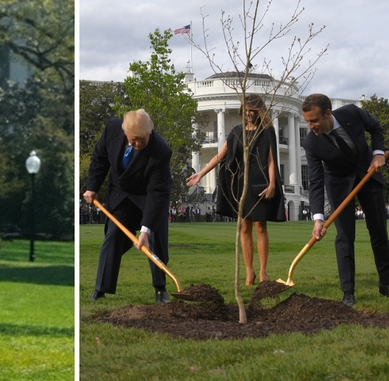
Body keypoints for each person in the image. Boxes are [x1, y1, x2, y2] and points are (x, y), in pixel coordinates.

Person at [301, 93, 389, 307]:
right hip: (338, 184)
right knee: (344, 237)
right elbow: (316, 180)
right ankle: (348, 293)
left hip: (368, 173)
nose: (311, 126)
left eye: (314, 120)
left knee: (378, 231)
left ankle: (386, 284)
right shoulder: (311, 142)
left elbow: (375, 127)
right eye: (307, 121)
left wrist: (377, 153)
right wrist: (318, 217)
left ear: (328, 114)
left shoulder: (351, 113)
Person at [186, 94, 285, 285]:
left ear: (259, 111)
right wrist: (200, 174)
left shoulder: (267, 131)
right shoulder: (236, 132)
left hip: (261, 182)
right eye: (246, 110)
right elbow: (219, 156)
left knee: (260, 226)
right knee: (244, 226)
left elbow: (272, 160)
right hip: (242, 184)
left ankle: (264, 272)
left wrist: (272, 184)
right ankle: (250, 272)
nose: (249, 114)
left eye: (253, 111)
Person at [83, 109, 173, 303]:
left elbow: (157, 193)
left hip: (149, 197)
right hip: (121, 195)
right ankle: (101, 289)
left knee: (154, 237)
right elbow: (99, 158)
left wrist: (145, 230)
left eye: (142, 139)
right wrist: (92, 187)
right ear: (125, 133)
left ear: (150, 132)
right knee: (113, 234)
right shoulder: (112, 129)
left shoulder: (161, 151)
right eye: (134, 140)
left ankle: (160, 289)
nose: (138, 144)